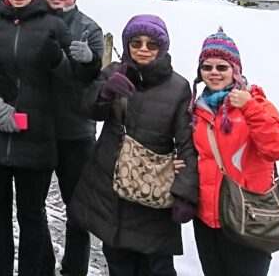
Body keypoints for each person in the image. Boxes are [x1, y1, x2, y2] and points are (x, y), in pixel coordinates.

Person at [0, 0, 97, 276]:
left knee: (31, 215)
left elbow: (79, 77)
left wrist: (88, 60)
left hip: (36, 135)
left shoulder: (52, 25)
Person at [69, 14, 199, 276]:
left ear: (162, 48)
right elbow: (88, 110)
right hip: (111, 188)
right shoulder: (113, 72)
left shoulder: (178, 87)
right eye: (136, 42)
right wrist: (105, 92)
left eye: (152, 44)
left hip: (153, 193)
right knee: (118, 263)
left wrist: (185, 193)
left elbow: (188, 144)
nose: (143, 49)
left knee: (157, 267)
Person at [190, 29, 279, 276]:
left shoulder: (257, 104)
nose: (214, 73)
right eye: (207, 67)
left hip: (249, 216)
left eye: (222, 67)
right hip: (207, 218)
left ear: (235, 70)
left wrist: (249, 108)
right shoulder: (197, 110)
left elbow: (278, 148)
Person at [41, 0, 104, 276]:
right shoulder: (31, 22)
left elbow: (88, 81)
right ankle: (43, 266)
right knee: (33, 207)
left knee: (77, 210)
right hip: (37, 131)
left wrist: (89, 61)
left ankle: (74, 269)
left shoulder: (88, 29)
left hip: (76, 132)